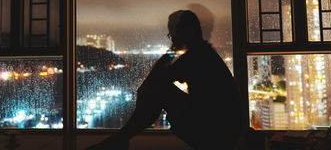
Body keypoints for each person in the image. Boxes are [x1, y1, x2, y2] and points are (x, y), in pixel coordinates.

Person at [86, 10, 243, 150]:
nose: (172, 38)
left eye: (173, 34)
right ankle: (121, 139)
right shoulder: (204, 53)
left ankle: (121, 139)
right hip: (225, 132)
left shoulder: (196, 57)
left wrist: (172, 50)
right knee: (156, 89)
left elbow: (156, 79)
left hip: (216, 135)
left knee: (157, 90)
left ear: (187, 31)